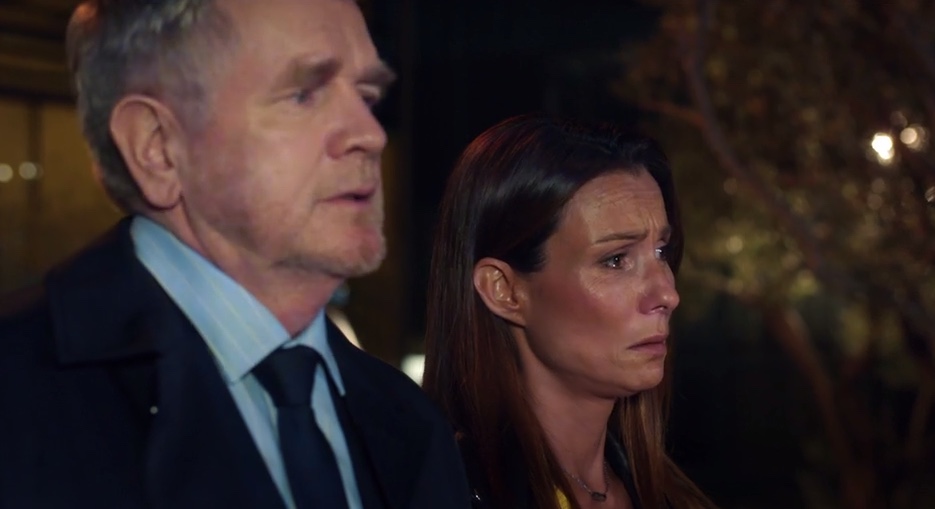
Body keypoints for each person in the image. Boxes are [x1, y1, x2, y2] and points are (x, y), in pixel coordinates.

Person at [0, 0, 470, 508]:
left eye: (366, 94)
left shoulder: (411, 423)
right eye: (305, 94)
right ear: (157, 146)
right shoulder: (19, 396)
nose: (370, 135)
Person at [422, 114, 717, 509]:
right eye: (616, 260)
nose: (667, 293)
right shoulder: (445, 493)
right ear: (504, 290)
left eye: (661, 251)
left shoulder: (671, 496)